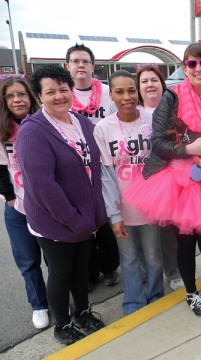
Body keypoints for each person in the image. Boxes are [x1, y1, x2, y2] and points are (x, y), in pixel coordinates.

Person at [125, 42, 201, 318]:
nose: (198, 69)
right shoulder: (171, 97)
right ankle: (191, 293)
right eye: (191, 64)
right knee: (186, 243)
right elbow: (158, 142)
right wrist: (188, 149)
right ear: (184, 68)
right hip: (178, 180)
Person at [16, 65, 107, 345]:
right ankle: (63, 324)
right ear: (39, 95)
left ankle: (82, 312)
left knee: (81, 269)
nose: (59, 96)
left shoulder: (81, 122)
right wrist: (76, 220)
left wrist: (95, 212)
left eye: (63, 89)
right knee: (60, 272)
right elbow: (44, 188)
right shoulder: (33, 132)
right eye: (50, 91)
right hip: (55, 221)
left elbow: (95, 169)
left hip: (83, 218)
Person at [94, 70, 166, 314]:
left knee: (154, 257)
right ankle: (134, 302)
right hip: (123, 207)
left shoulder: (152, 118)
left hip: (152, 205)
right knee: (129, 259)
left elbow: (164, 161)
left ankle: (156, 296)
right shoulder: (103, 128)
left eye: (131, 90)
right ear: (111, 96)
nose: (127, 96)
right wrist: (113, 214)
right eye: (119, 91)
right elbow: (106, 174)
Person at [66, 43, 120, 289]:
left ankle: (110, 268)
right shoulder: (63, 94)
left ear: (93, 66)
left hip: (105, 165)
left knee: (106, 220)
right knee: (84, 224)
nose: (80, 65)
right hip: (75, 168)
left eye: (85, 61)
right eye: (75, 61)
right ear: (67, 66)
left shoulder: (108, 93)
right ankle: (90, 271)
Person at [0, 77, 49, 329]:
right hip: (18, 208)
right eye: (10, 96)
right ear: (4, 101)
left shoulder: (42, 123)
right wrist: (9, 197)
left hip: (46, 206)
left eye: (22, 94)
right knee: (28, 261)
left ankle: (63, 299)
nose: (17, 99)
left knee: (54, 258)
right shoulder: (2, 130)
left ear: (31, 97)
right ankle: (39, 305)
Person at [136, 64, 184, 291]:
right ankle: (146, 273)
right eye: (144, 81)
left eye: (154, 80)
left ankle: (173, 271)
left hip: (171, 175)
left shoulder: (173, 110)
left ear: (162, 84)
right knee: (144, 232)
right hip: (141, 180)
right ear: (138, 88)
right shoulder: (133, 114)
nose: (150, 85)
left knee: (169, 228)